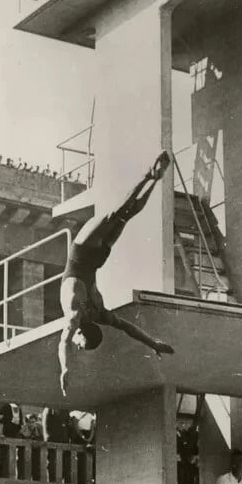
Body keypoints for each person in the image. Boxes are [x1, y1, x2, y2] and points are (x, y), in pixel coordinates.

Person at [58, 151, 174, 396]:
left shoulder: (90, 315)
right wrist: (64, 368)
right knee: (119, 215)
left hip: (89, 256)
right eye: (81, 345)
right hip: (87, 255)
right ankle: (151, 177)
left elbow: (128, 329)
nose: (77, 346)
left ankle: (152, 177)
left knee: (121, 215)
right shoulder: (81, 316)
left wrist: (153, 343)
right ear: (82, 332)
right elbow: (66, 342)